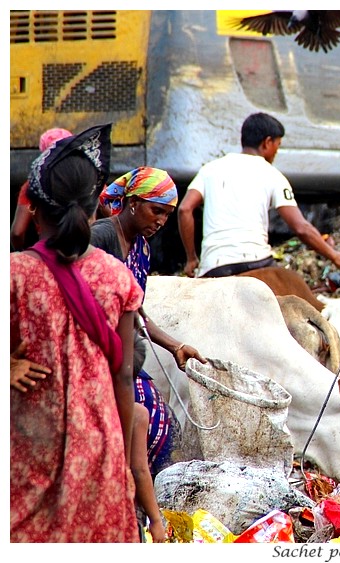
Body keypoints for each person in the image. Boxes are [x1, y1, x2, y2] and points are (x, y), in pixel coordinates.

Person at [10, 124, 143, 542]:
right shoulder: (116, 276)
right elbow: (124, 374)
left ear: (33, 206)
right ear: (92, 209)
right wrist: (120, 457)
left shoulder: (15, 274)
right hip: (99, 441)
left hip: (30, 441)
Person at [93, 166, 205, 542]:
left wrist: (174, 345)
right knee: (138, 421)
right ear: (134, 203)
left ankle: (137, 510)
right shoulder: (102, 237)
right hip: (98, 353)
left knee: (157, 421)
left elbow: (136, 310)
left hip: (125, 353)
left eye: (167, 216)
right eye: (156, 211)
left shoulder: (140, 246)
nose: (161, 221)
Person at [177, 112, 340, 278]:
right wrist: (334, 255)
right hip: (256, 262)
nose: (276, 153)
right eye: (277, 146)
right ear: (267, 143)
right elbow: (301, 227)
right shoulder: (273, 175)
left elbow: (185, 209)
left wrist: (191, 258)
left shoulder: (209, 169)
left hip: (213, 267)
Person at [10, 127, 73, 251]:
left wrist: (25, 256)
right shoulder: (87, 178)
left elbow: (17, 232)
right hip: (83, 252)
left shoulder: (32, 184)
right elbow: (112, 211)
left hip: (46, 253)